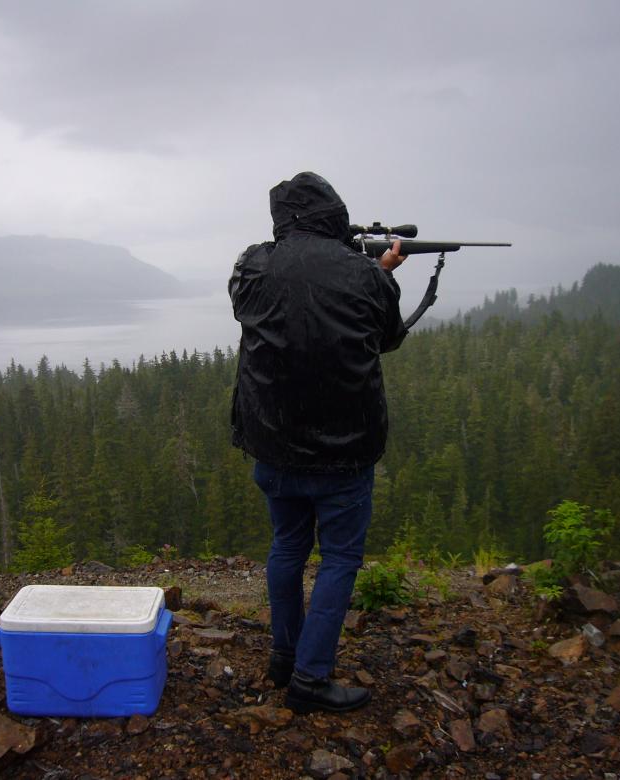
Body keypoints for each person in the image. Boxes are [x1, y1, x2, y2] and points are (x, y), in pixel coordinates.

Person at [229, 172, 407, 714]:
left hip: (273, 444)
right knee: (339, 559)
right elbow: (388, 338)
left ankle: (285, 658)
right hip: (344, 453)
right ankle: (310, 677)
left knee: (286, 548)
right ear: (334, 213)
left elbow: (260, 305)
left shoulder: (252, 266)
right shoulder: (364, 275)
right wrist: (381, 274)